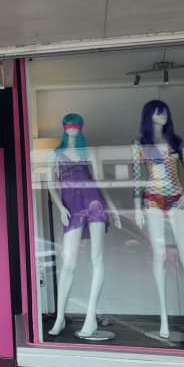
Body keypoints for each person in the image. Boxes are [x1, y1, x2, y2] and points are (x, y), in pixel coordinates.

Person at [132, 100, 184, 344]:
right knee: (159, 257)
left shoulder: (177, 142)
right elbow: (138, 177)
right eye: (158, 112)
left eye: (165, 111)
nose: (163, 115)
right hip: (152, 202)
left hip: (177, 200)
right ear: (149, 115)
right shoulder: (140, 144)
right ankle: (164, 319)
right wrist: (137, 207)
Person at [47, 113, 120, 339]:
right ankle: (60, 317)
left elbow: (98, 181)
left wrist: (112, 208)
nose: (72, 128)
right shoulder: (55, 154)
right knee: (68, 263)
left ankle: (91, 318)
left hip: (94, 202)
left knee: (96, 259)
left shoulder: (89, 152)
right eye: (69, 124)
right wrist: (60, 208)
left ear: (81, 128)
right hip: (71, 205)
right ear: (63, 127)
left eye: (76, 125)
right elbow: (50, 184)